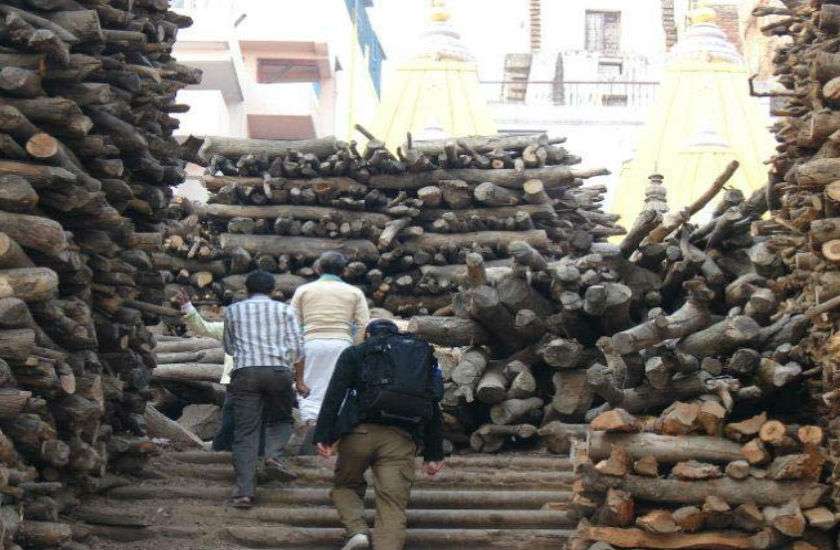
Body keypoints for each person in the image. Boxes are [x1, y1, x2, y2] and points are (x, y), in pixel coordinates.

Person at [313, 319, 445, 550]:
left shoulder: (356, 352)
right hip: (402, 439)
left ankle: (357, 531)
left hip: (358, 433)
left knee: (346, 485)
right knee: (392, 505)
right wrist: (434, 453)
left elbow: (335, 395)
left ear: (367, 335)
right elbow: (433, 403)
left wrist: (324, 436)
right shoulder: (420, 357)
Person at [222, 270, 305, 508]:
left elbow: (229, 347)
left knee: (246, 432)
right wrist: (299, 381)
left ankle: (244, 493)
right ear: (273, 290)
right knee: (281, 420)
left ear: (246, 290)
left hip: (245, 374)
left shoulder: (233, 311)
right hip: (279, 373)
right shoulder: (286, 310)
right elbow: (298, 350)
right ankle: (272, 456)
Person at [290, 251, 370, 453]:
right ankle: (333, 443)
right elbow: (363, 324)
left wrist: (295, 351)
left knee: (310, 390)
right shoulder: (354, 293)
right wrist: (355, 348)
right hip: (341, 344)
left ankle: (312, 432)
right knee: (339, 389)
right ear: (344, 271)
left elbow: (292, 323)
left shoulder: (304, 291)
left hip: (311, 344)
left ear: (317, 268)